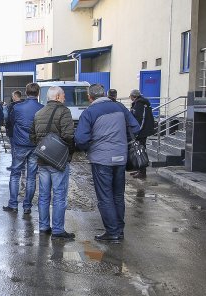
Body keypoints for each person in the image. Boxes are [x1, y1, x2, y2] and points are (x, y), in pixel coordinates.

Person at [75, 84, 141, 243]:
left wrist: (90, 145)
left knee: (105, 196)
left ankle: (112, 232)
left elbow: (80, 139)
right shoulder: (119, 107)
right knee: (118, 195)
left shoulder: (89, 112)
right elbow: (136, 127)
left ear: (90, 97)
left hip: (101, 159)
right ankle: (119, 230)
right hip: (120, 157)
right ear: (104, 94)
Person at [30, 86, 76, 239]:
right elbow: (69, 135)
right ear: (57, 97)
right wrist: (68, 152)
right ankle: (57, 230)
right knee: (59, 194)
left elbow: (32, 136)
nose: (64, 98)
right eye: (63, 95)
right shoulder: (64, 111)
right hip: (58, 161)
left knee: (43, 195)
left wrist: (44, 146)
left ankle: (43, 226)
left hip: (43, 159)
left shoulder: (38, 113)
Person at [4, 83, 42, 215]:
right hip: (34, 145)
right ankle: (27, 206)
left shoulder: (18, 107)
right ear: (38, 93)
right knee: (31, 177)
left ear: (26, 93)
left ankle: (13, 204)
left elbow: (10, 121)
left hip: (20, 144)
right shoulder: (42, 108)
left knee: (15, 174)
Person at [129, 89, 155, 179]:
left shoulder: (140, 104)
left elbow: (141, 120)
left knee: (140, 151)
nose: (130, 98)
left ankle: (142, 172)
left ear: (134, 96)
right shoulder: (141, 103)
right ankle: (139, 169)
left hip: (142, 132)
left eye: (131, 97)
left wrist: (137, 132)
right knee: (139, 150)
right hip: (143, 131)